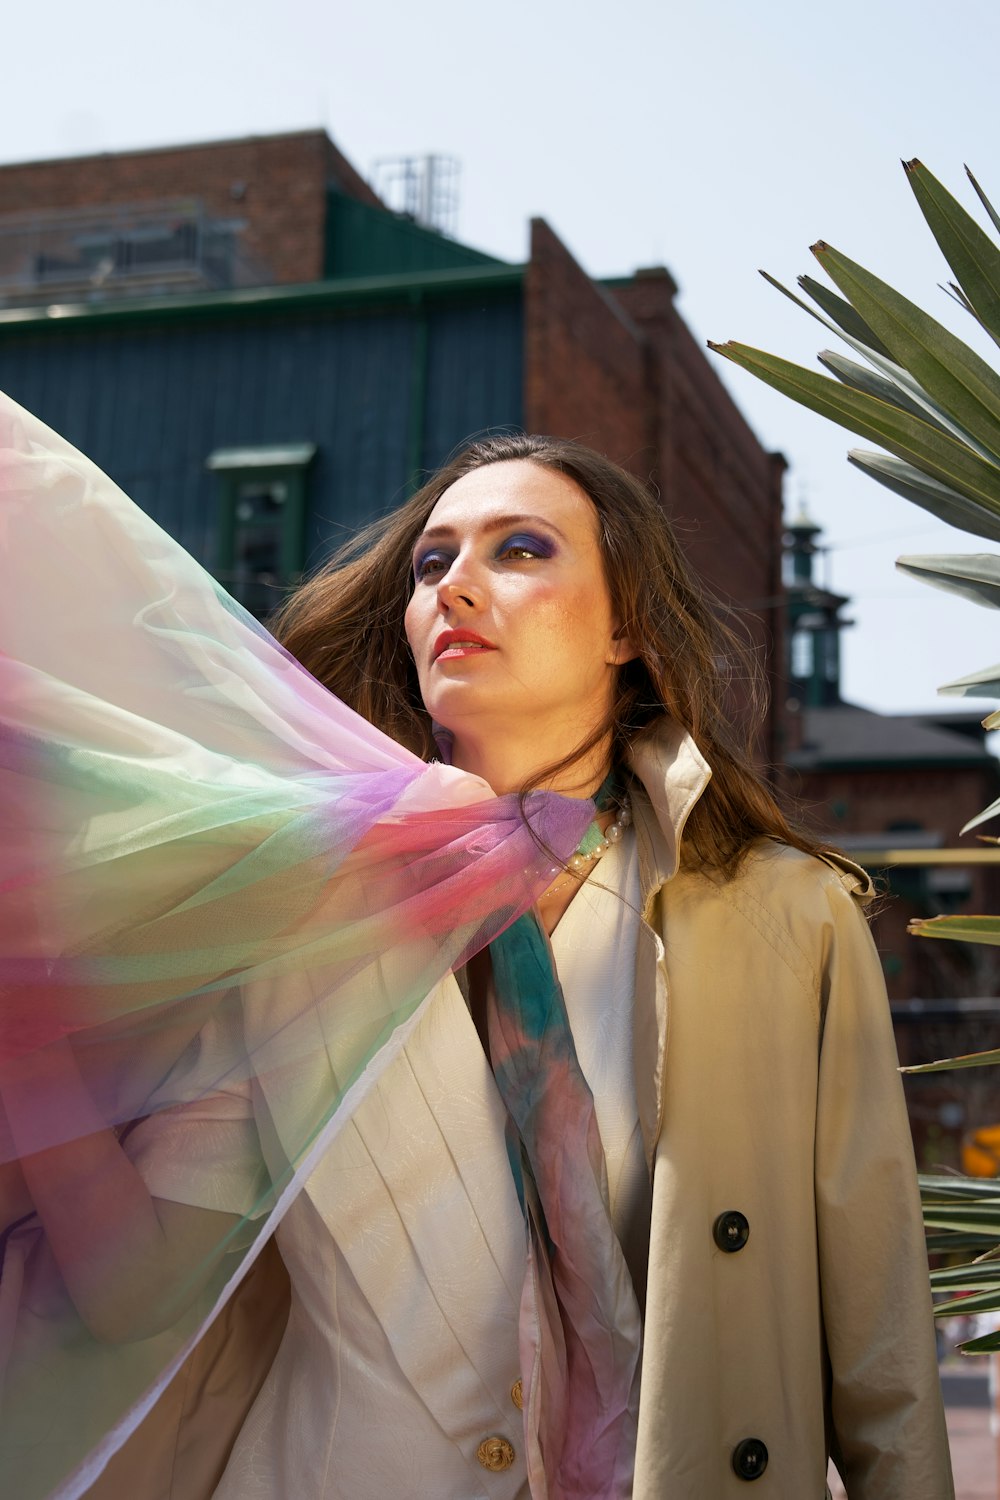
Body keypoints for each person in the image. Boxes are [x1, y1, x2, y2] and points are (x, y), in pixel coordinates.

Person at [0, 410, 953, 1499]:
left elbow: (877, 1341)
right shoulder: (296, 912)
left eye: (520, 550)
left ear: (625, 629)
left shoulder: (780, 919)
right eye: (430, 562)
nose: (454, 586)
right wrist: (27, 1026)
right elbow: (135, 1287)